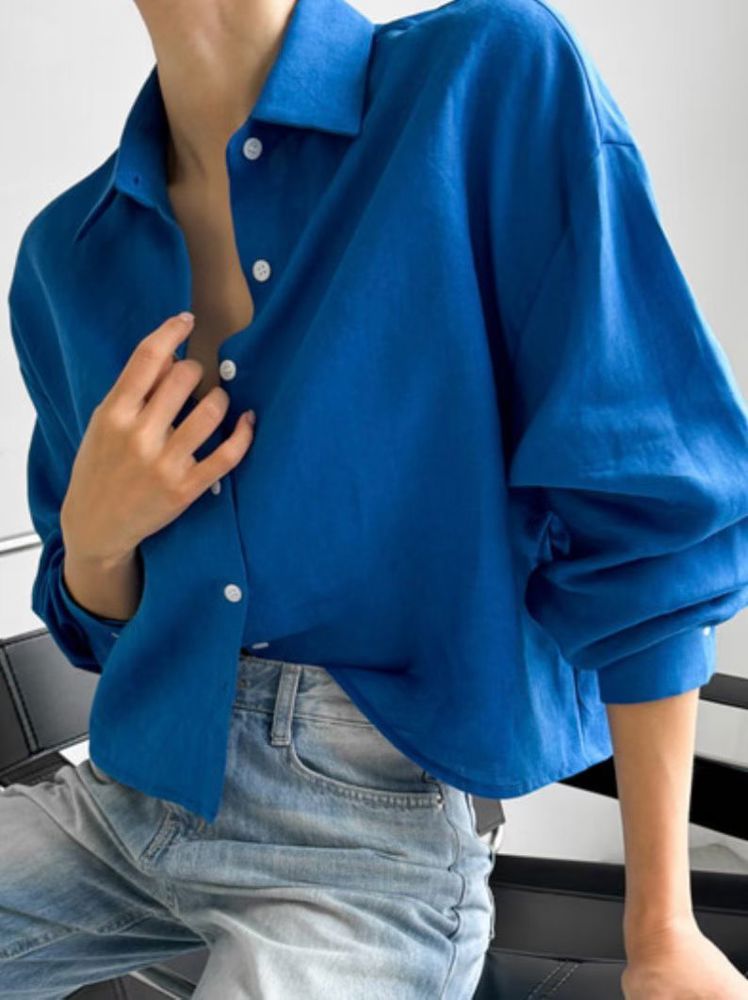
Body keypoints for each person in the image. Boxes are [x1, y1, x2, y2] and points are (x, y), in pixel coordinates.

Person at [4, 0, 748, 997]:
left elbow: (644, 501)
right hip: (126, 795)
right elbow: (97, 629)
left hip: (370, 837)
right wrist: (96, 540)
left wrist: (662, 928)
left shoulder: (484, 77)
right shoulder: (65, 256)